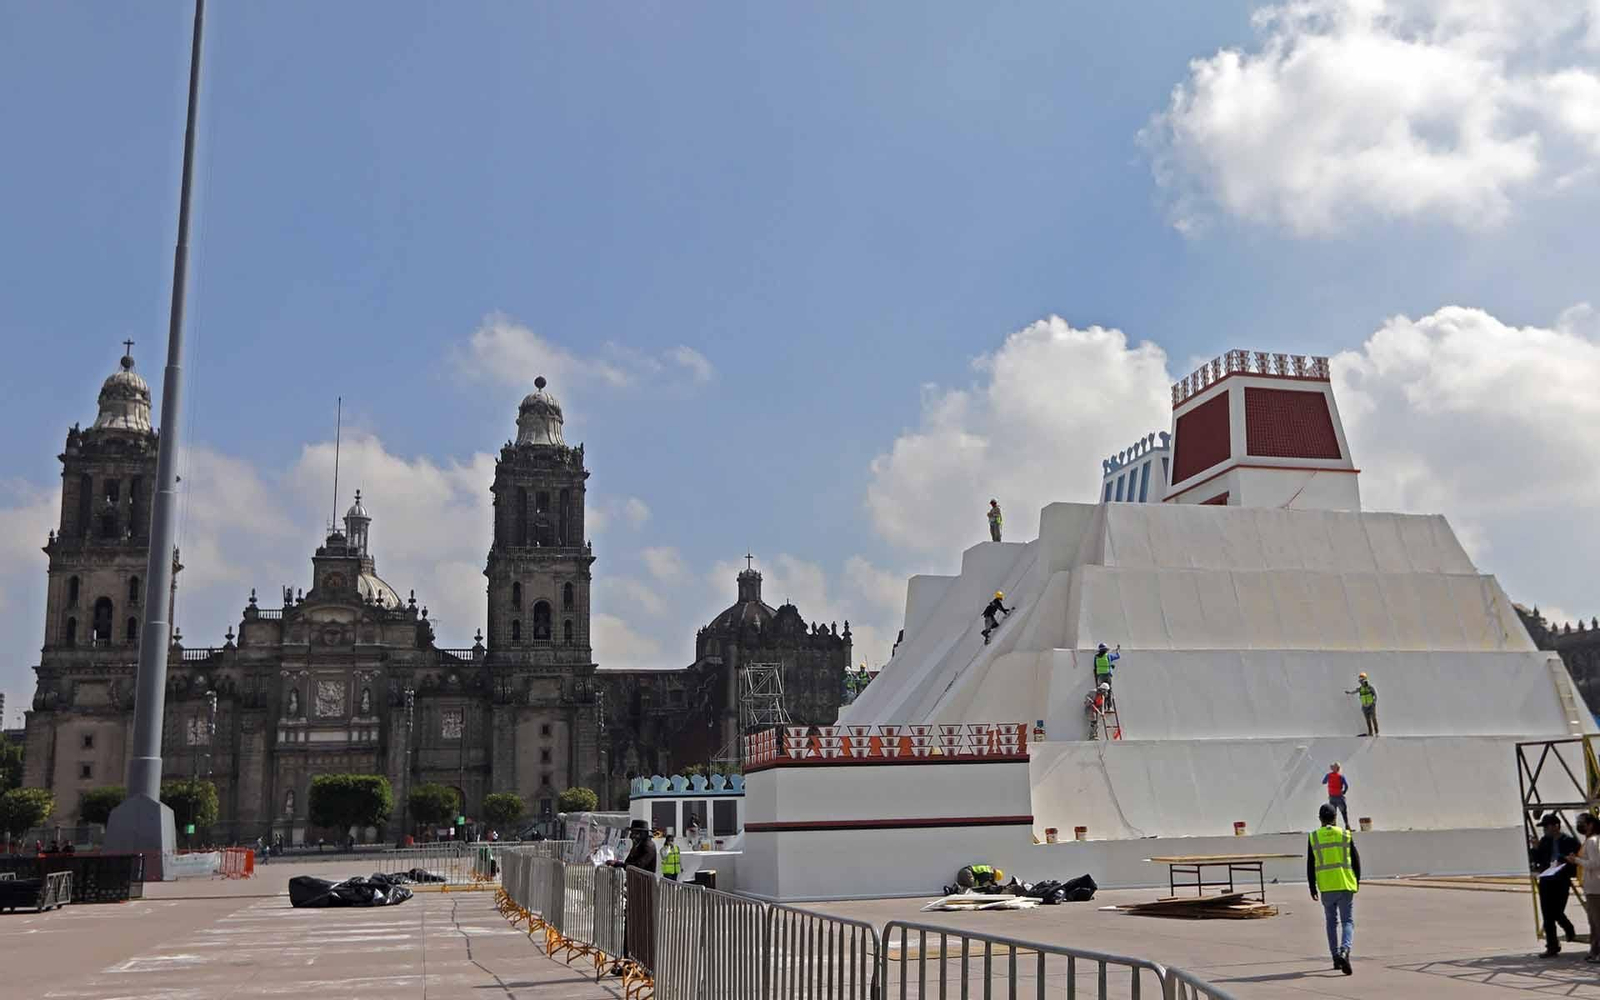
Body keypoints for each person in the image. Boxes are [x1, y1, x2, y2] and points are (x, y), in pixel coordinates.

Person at [1307, 803, 1361, 975]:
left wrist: (1312, 887)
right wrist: (1356, 880)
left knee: (1331, 922)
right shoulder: (1345, 834)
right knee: (1347, 921)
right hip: (1345, 884)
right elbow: (1355, 859)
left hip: (1326, 887)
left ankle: (1335, 958)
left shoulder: (1314, 837)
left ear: (1320, 819)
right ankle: (1345, 951)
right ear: (1335, 818)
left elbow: (1310, 864)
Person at [1531, 813, 1580, 957]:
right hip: (1546, 880)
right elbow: (1538, 858)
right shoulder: (1545, 841)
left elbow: (1576, 858)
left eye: (1547, 827)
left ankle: (1568, 927)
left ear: (1556, 826)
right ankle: (1552, 946)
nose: (1545, 830)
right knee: (1547, 914)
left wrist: (1563, 861)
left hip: (1561, 879)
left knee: (1557, 911)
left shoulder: (1569, 841)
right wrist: (1535, 848)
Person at [1566, 813, 1600, 963]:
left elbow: (1595, 863)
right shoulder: (1589, 841)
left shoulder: (1593, 841)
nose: (1579, 825)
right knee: (1593, 922)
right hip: (1591, 886)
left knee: (1597, 922)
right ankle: (1594, 951)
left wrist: (1577, 860)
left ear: (1590, 824)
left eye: (1581, 822)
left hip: (1596, 887)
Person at [1322, 763, 1351, 829]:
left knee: (1333, 813)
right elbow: (1346, 786)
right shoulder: (1341, 776)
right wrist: (1344, 792)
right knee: (1344, 812)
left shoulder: (1328, 775)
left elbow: (1323, 782)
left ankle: (1334, 827)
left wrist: (1327, 778)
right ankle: (1347, 825)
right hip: (1340, 797)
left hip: (1332, 797)